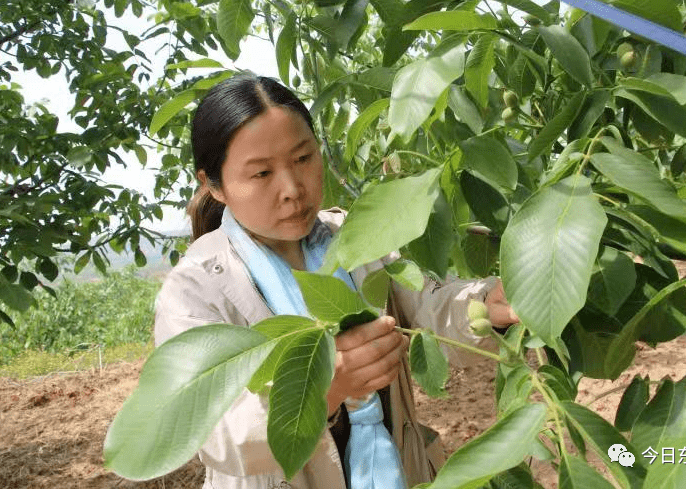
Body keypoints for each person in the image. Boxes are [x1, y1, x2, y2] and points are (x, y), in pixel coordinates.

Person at [153, 72, 519, 489]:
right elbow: (213, 434)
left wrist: (488, 303)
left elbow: (427, 306)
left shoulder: (354, 236)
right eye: (261, 174)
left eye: (303, 159)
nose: (292, 189)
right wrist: (323, 390)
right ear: (213, 186)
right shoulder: (195, 290)